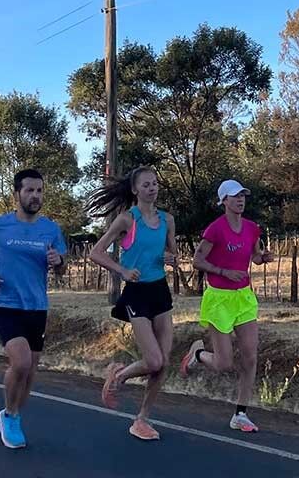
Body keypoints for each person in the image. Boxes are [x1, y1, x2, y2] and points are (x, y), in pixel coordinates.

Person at [0, 168, 67, 450]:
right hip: (7, 304)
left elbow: (61, 268)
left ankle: (14, 414)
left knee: (31, 371)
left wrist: (58, 261)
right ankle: (9, 415)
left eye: (39, 191)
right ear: (17, 194)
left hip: (37, 307)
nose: (35, 196)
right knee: (20, 363)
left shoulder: (51, 229)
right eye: (29, 190)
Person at [86, 166, 177, 441]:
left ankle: (142, 420)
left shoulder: (167, 219)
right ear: (135, 189)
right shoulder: (127, 219)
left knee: (163, 364)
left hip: (160, 291)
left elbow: (172, 254)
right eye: (146, 184)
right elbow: (96, 253)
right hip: (137, 293)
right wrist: (122, 270)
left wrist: (170, 258)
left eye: (155, 183)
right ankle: (120, 375)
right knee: (153, 360)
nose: (152, 188)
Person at [179, 179, 274, 433]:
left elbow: (254, 256)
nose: (240, 199)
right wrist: (223, 271)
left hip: (243, 297)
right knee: (224, 363)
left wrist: (262, 258)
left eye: (243, 195)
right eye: (235, 196)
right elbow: (197, 260)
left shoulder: (252, 228)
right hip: (219, 298)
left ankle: (240, 414)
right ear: (224, 201)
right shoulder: (215, 229)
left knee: (250, 356)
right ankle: (197, 355)